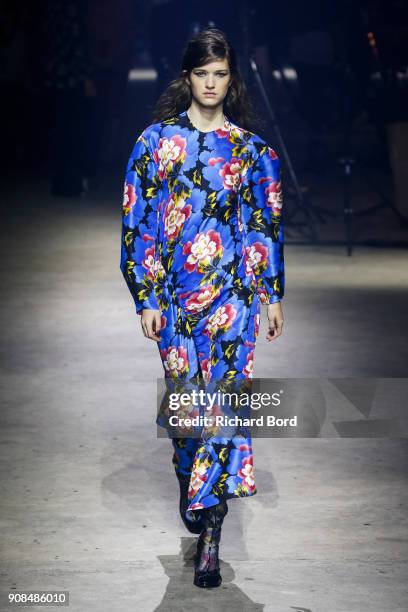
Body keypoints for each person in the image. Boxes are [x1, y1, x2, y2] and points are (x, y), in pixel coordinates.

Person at [119, 28, 285, 589]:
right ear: (186, 77)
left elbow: (264, 226)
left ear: (230, 80)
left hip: (232, 301)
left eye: (221, 75)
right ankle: (188, 476)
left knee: (224, 415)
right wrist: (145, 297)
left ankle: (211, 538)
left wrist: (270, 295)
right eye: (202, 74)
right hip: (173, 302)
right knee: (190, 416)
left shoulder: (251, 152)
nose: (211, 84)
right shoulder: (154, 144)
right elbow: (137, 223)